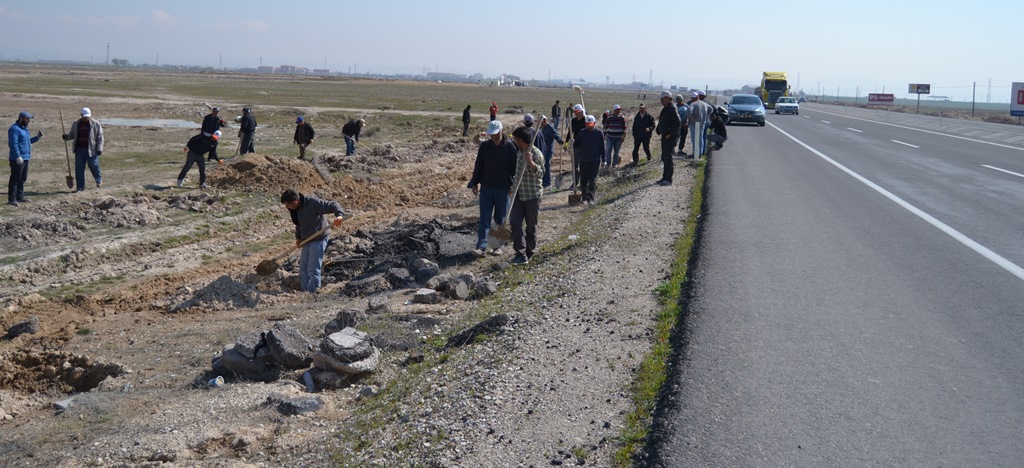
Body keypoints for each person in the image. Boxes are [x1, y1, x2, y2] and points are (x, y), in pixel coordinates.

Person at [467, 120, 517, 257]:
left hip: (503, 188)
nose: (493, 136)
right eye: (491, 134)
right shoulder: (485, 147)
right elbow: (479, 165)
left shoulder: (510, 147)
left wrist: (513, 185)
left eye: (495, 134)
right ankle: (481, 247)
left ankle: (497, 246)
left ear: (501, 131)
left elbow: (514, 169)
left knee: (500, 219)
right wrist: (474, 183)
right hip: (486, 188)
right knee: (484, 218)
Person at [280, 188, 346, 293]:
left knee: (313, 269)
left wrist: (339, 216)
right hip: (307, 240)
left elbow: (332, 205)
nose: (286, 207)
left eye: (287, 204)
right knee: (303, 269)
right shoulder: (294, 210)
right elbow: (299, 225)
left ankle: (313, 293)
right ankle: (304, 291)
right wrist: (299, 238)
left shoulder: (313, 203)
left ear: (295, 201)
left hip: (319, 238)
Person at [508, 126, 544, 265]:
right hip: (518, 193)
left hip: (532, 194)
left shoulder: (535, 153)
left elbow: (541, 173)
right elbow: (517, 174)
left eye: (515, 139)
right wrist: (513, 187)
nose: (514, 141)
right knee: (515, 222)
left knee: (530, 226)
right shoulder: (519, 152)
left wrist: (531, 163)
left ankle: (529, 251)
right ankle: (520, 253)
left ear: (521, 140)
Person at [63, 107, 104, 192]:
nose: (86, 118)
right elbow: (72, 134)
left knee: (94, 165)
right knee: (79, 168)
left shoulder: (96, 124)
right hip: (79, 149)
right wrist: (67, 137)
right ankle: (80, 187)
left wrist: (99, 148)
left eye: (87, 116)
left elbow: (100, 137)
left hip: (92, 149)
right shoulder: (76, 124)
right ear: (81, 115)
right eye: (85, 116)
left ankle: (98, 180)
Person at [7, 111, 41, 206]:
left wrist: (37, 138)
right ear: (21, 118)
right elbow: (13, 144)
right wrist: (18, 156)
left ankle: (20, 196)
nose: (28, 120)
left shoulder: (25, 128)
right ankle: (12, 199)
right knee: (15, 178)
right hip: (17, 158)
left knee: (23, 178)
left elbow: (27, 141)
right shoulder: (14, 129)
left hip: (26, 157)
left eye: (29, 118)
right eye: (27, 118)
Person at [572, 115, 604, 204]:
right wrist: (572, 142)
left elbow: (602, 147)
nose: (589, 126)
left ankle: (590, 198)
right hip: (584, 160)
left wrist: (604, 160)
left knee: (592, 180)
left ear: (594, 123)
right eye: (587, 124)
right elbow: (576, 145)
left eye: (591, 124)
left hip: (595, 160)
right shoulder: (582, 132)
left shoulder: (599, 133)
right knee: (583, 180)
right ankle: (584, 197)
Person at [655, 91, 681, 186]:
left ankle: (668, 179)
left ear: (668, 98)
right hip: (665, 137)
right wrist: (659, 129)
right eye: (661, 99)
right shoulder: (666, 108)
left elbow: (677, 123)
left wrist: (670, 133)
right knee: (664, 157)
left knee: (668, 157)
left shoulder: (672, 108)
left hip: (670, 138)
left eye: (663, 99)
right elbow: (662, 120)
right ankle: (664, 177)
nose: (662, 101)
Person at [538, 115, 563, 188]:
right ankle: (544, 180)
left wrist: (560, 140)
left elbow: (555, 135)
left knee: (546, 165)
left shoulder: (550, 128)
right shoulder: (543, 128)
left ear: (545, 120)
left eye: (541, 122)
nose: (540, 124)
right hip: (543, 149)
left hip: (548, 150)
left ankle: (547, 182)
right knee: (543, 165)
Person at [687, 91, 713, 160]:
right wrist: (707, 115)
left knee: (694, 139)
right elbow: (711, 109)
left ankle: (695, 154)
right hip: (702, 123)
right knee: (700, 138)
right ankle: (700, 154)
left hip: (694, 124)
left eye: (692, 98)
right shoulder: (704, 104)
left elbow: (689, 110)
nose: (692, 99)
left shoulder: (693, 104)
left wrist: (690, 117)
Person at [567, 104, 586, 188]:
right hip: (575, 145)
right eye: (575, 112)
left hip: (584, 146)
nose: (576, 113)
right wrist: (566, 142)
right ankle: (575, 182)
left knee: (583, 164)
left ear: (581, 112)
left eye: (578, 112)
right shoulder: (573, 121)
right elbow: (570, 132)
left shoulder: (585, 120)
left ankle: (583, 182)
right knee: (574, 165)